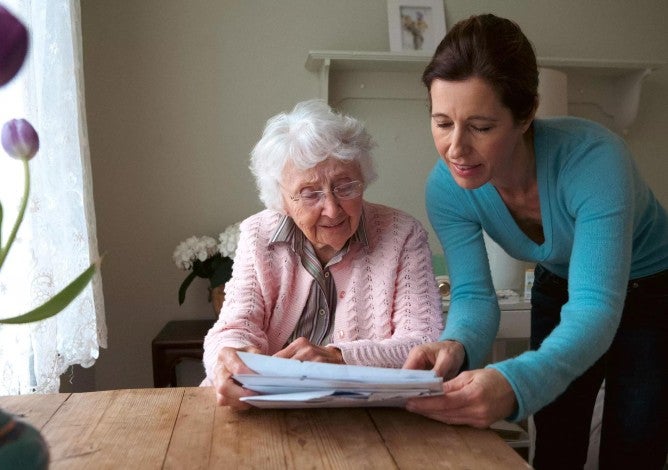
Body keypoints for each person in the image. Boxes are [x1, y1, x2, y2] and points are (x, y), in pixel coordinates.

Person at [402, 13, 668, 469]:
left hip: (653, 291)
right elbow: (471, 294)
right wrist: (458, 344)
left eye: (481, 127)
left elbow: (596, 309)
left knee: (633, 446)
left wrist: (514, 381)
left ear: (526, 115)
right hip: (558, 281)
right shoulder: (446, 188)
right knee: (557, 439)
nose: (456, 149)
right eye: (442, 122)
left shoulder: (595, 162)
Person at [202, 99, 444, 410]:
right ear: (282, 200)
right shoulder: (258, 235)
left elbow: (423, 343)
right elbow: (234, 326)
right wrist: (230, 358)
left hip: (365, 416)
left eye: (345, 187)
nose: (331, 209)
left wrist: (338, 358)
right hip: (263, 410)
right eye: (310, 194)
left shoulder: (403, 235)